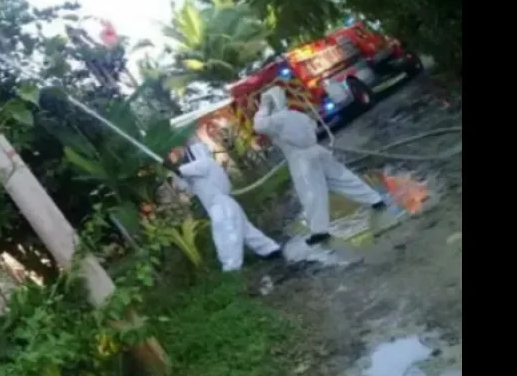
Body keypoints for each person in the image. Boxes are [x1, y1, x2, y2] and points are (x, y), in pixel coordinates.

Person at [253, 86, 404, 246]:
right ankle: (375, 200)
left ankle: (319, 231)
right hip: (318, 151)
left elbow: (258, 125)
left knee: (311, 193)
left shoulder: (275, 120)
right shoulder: (297, 115)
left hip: (301, 159)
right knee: (343, 178)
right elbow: (313, 125)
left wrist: (264, 105)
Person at [169, 139, 283, 271]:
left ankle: (231, 268)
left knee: (226, 236)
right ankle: (270, 250)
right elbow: (184, 186)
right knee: (246, 231)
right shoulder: (195, 173)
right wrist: (174, 171)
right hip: (222, 205)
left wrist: (171, 166)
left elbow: (181, 170)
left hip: (221, 206)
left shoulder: (206, 163)